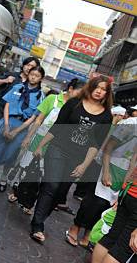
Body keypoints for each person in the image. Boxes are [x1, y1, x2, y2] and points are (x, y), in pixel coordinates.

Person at [29, 75, 113, 244]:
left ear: (107, 93)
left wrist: (83, 166)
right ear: (90, 87)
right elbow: (57, 127)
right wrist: (40, 146)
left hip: (78, 158)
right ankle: (37, 226)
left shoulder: (106, 117)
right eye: (97, 87)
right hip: (57, 149)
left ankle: (40, 215)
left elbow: (95, 145)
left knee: (60, 192)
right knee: (51, 185)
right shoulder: (73, 104)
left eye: (104, 89)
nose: (99, 91)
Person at [6, 78, 86, 209]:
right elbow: (39, 120)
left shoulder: (78, 107)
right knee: (26, 168)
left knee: (42, 174)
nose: (81, 96)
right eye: (79, 92)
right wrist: (28, 137)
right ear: (71, 89)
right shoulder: (53, 99)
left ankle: (29, 202)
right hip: (39, 139)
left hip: (56, 145)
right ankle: (17, 192)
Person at [68, 115, 136, 249]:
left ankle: (89, 233)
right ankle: (75, 228)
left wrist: (127, 182)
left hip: (124, 173)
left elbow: (135, 158)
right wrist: (106, 172)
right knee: (93, 202)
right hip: (106, 166)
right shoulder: (131, 123)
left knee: (106, 206)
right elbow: (108, 147)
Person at [0, 66, 45, 191]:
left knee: (10, 155)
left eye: (37, 75)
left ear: (41, 78)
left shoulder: (40, 96)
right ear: (28, 74)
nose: (33, 77)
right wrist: (7, 125)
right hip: (6, 121)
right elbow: (7, 106)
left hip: (22, 126)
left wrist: (17, 130)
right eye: (32, 74)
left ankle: (3, 181)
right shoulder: (17, 87)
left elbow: (34, 117)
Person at [0, 57, 41, 156]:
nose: (29, 68)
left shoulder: (32, 84)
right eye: (28, 65)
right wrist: (6, 80)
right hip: (0, 110)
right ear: (23, 65)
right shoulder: (12, 75)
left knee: (3, 141)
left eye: (32, 66)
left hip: (13, 116)